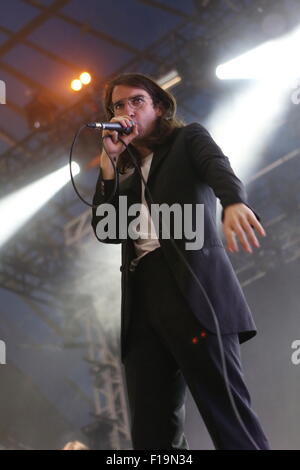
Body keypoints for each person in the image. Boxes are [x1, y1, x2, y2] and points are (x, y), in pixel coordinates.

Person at [91, 73, 271, 450]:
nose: (127, 111)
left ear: (159, 107)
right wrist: (109, 165)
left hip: (192, 291)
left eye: (137, 101)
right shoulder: (125, 180)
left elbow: (217, 166)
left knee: (227, 413)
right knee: (153, 433)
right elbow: (107, 229)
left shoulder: (187, 140)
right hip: (143, 305)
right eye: (118, 106)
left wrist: (234, 202)